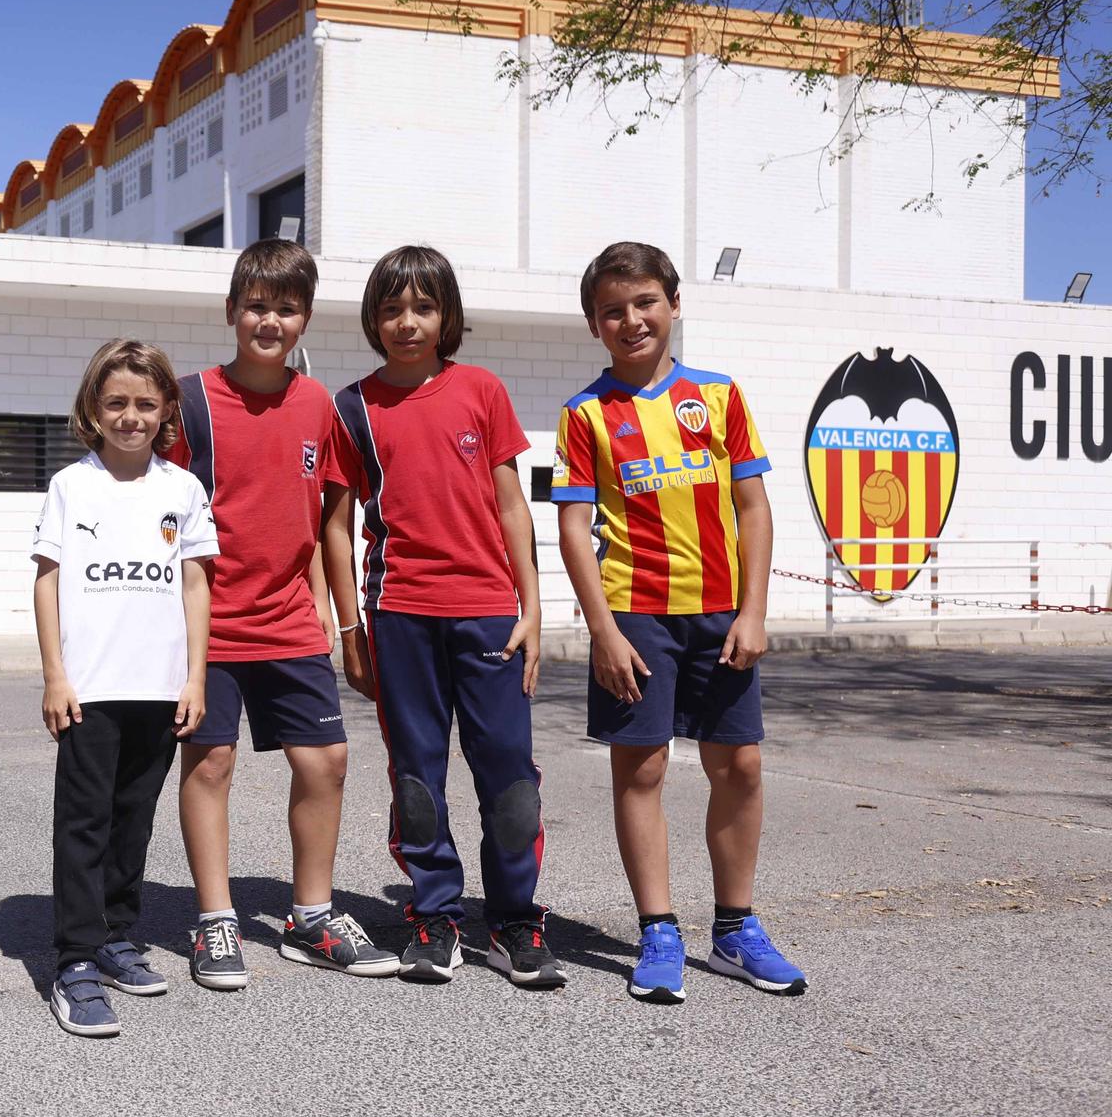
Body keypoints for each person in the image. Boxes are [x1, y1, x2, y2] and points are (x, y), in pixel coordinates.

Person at [552, 241, 806, 1003]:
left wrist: (755, 610)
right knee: (644, 768)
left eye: (644, 303)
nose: (631, 320)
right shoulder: (584, 414)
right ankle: (658, 928)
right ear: (595, 324)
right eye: (612, 311)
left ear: (673, 303)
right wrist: (602, 630)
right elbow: (571, 528)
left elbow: (754, 507)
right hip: (635, 615)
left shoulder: (720, 396)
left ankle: (735, 929)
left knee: (741, 766)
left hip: (723, 614)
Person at [322, 245, 564, 989]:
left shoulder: (482, 390)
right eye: (392, 308)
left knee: (510, 780)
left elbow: (511, 504)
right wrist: (350, 629)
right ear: (373, 318)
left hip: (489, 615)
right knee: (417, 778)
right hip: (400, 618)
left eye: (423, 307)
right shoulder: (353, 407)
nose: (407, 322)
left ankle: (517, 921)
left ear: (446, 315)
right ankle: (435, 915)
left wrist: (531, 605)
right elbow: (336, 527)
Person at [167, 238, 397, 989]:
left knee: (325, 760)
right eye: (257, 306)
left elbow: (337, 520)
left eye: (287, 308)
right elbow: (156, 515)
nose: (270, 321)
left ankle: (312, 914)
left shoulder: (318, 406)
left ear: (305, 319)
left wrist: (345, 617)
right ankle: (215, 919)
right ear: (233, 311)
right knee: (212, 761)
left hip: (291, 618)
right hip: (208, 621)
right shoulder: (189, 401)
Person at [35, 339, 216, 1037]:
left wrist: (195, 674)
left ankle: (117, 936)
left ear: (167, 408)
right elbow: (47, 580)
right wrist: (55, 673)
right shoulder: (71, 486)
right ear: (93, 408)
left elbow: (196, 582)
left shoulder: (183, 489)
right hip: (90, 687)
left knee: (133, 819)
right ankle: (76, 959)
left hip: (161, 686)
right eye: (116, 402)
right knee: (83, 823)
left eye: (145, 403)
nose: (131, 416)